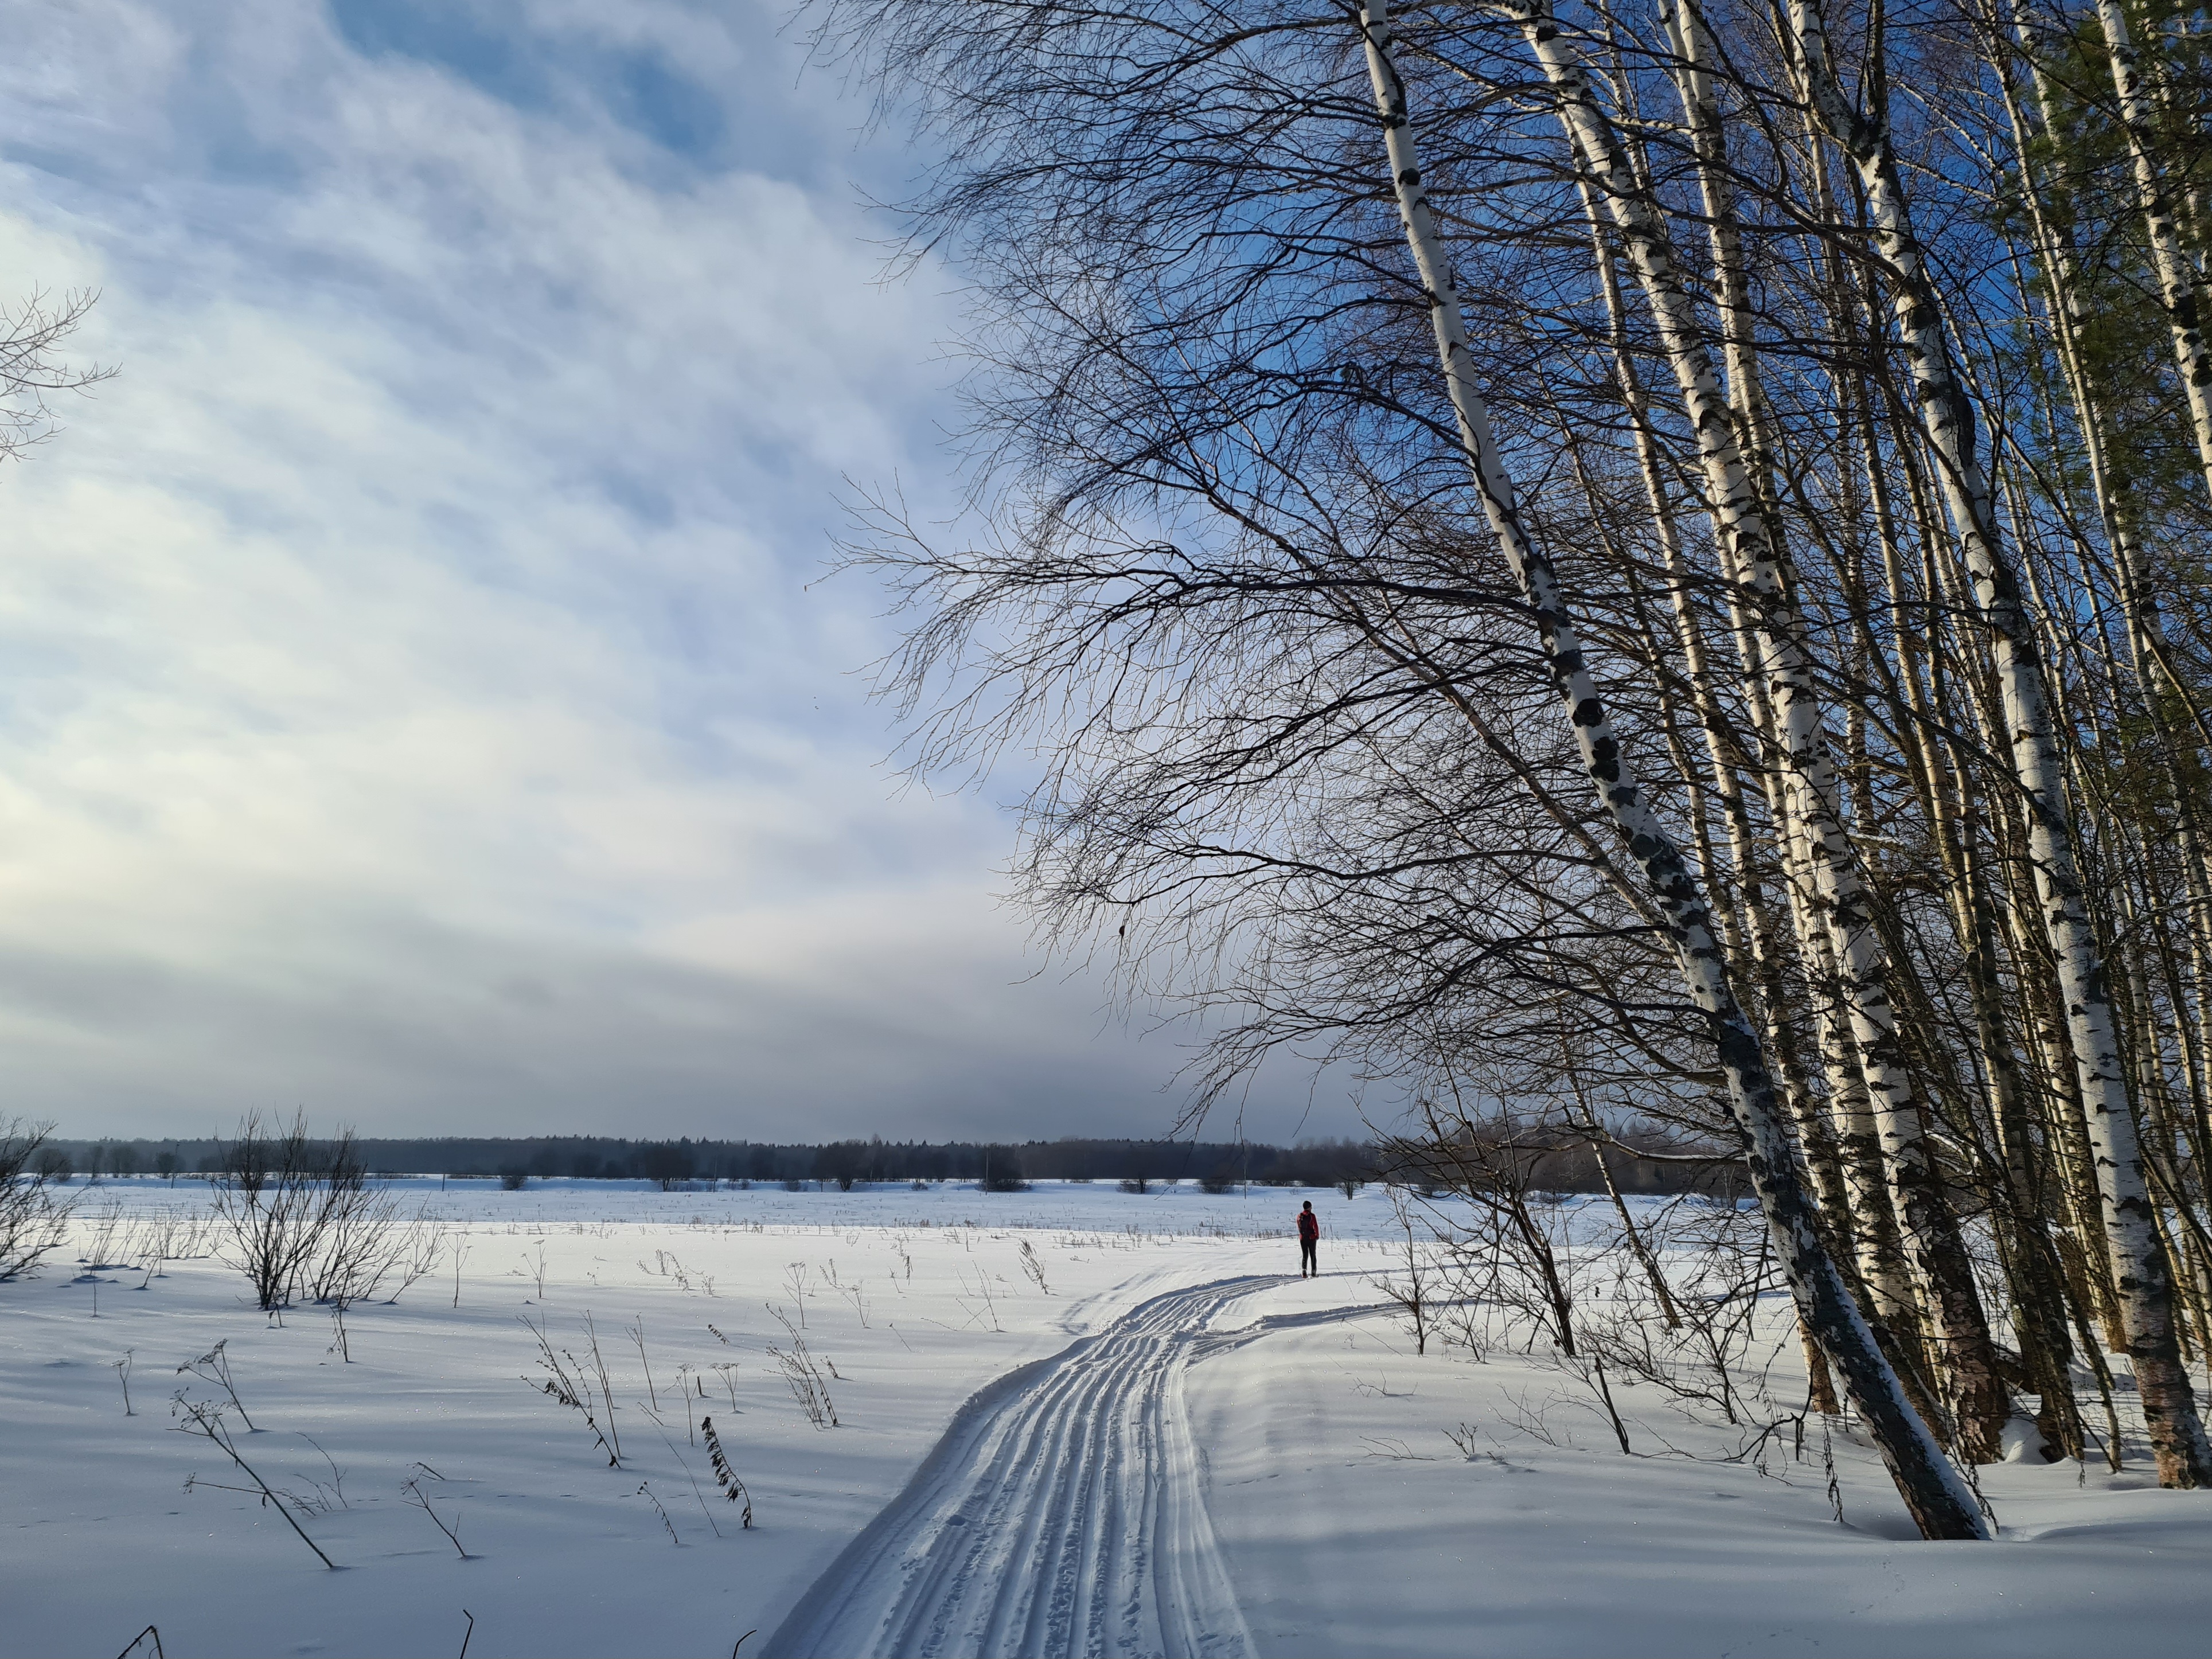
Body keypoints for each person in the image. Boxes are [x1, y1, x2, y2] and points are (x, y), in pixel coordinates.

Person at [1296, 1200, 1319, 1278]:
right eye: (1311, 1207)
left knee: (1305, 1254)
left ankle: (1304, 1272)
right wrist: (1316, 1235)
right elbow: (1315, 1226)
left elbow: (1299, 1226)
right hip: (1311, 1237)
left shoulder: (1300, 1216)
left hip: (1303, 1238)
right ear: (1309, 1208)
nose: (1311, 1208)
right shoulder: (1312, 1216)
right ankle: (1313, 1272)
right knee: (1313, 1255)